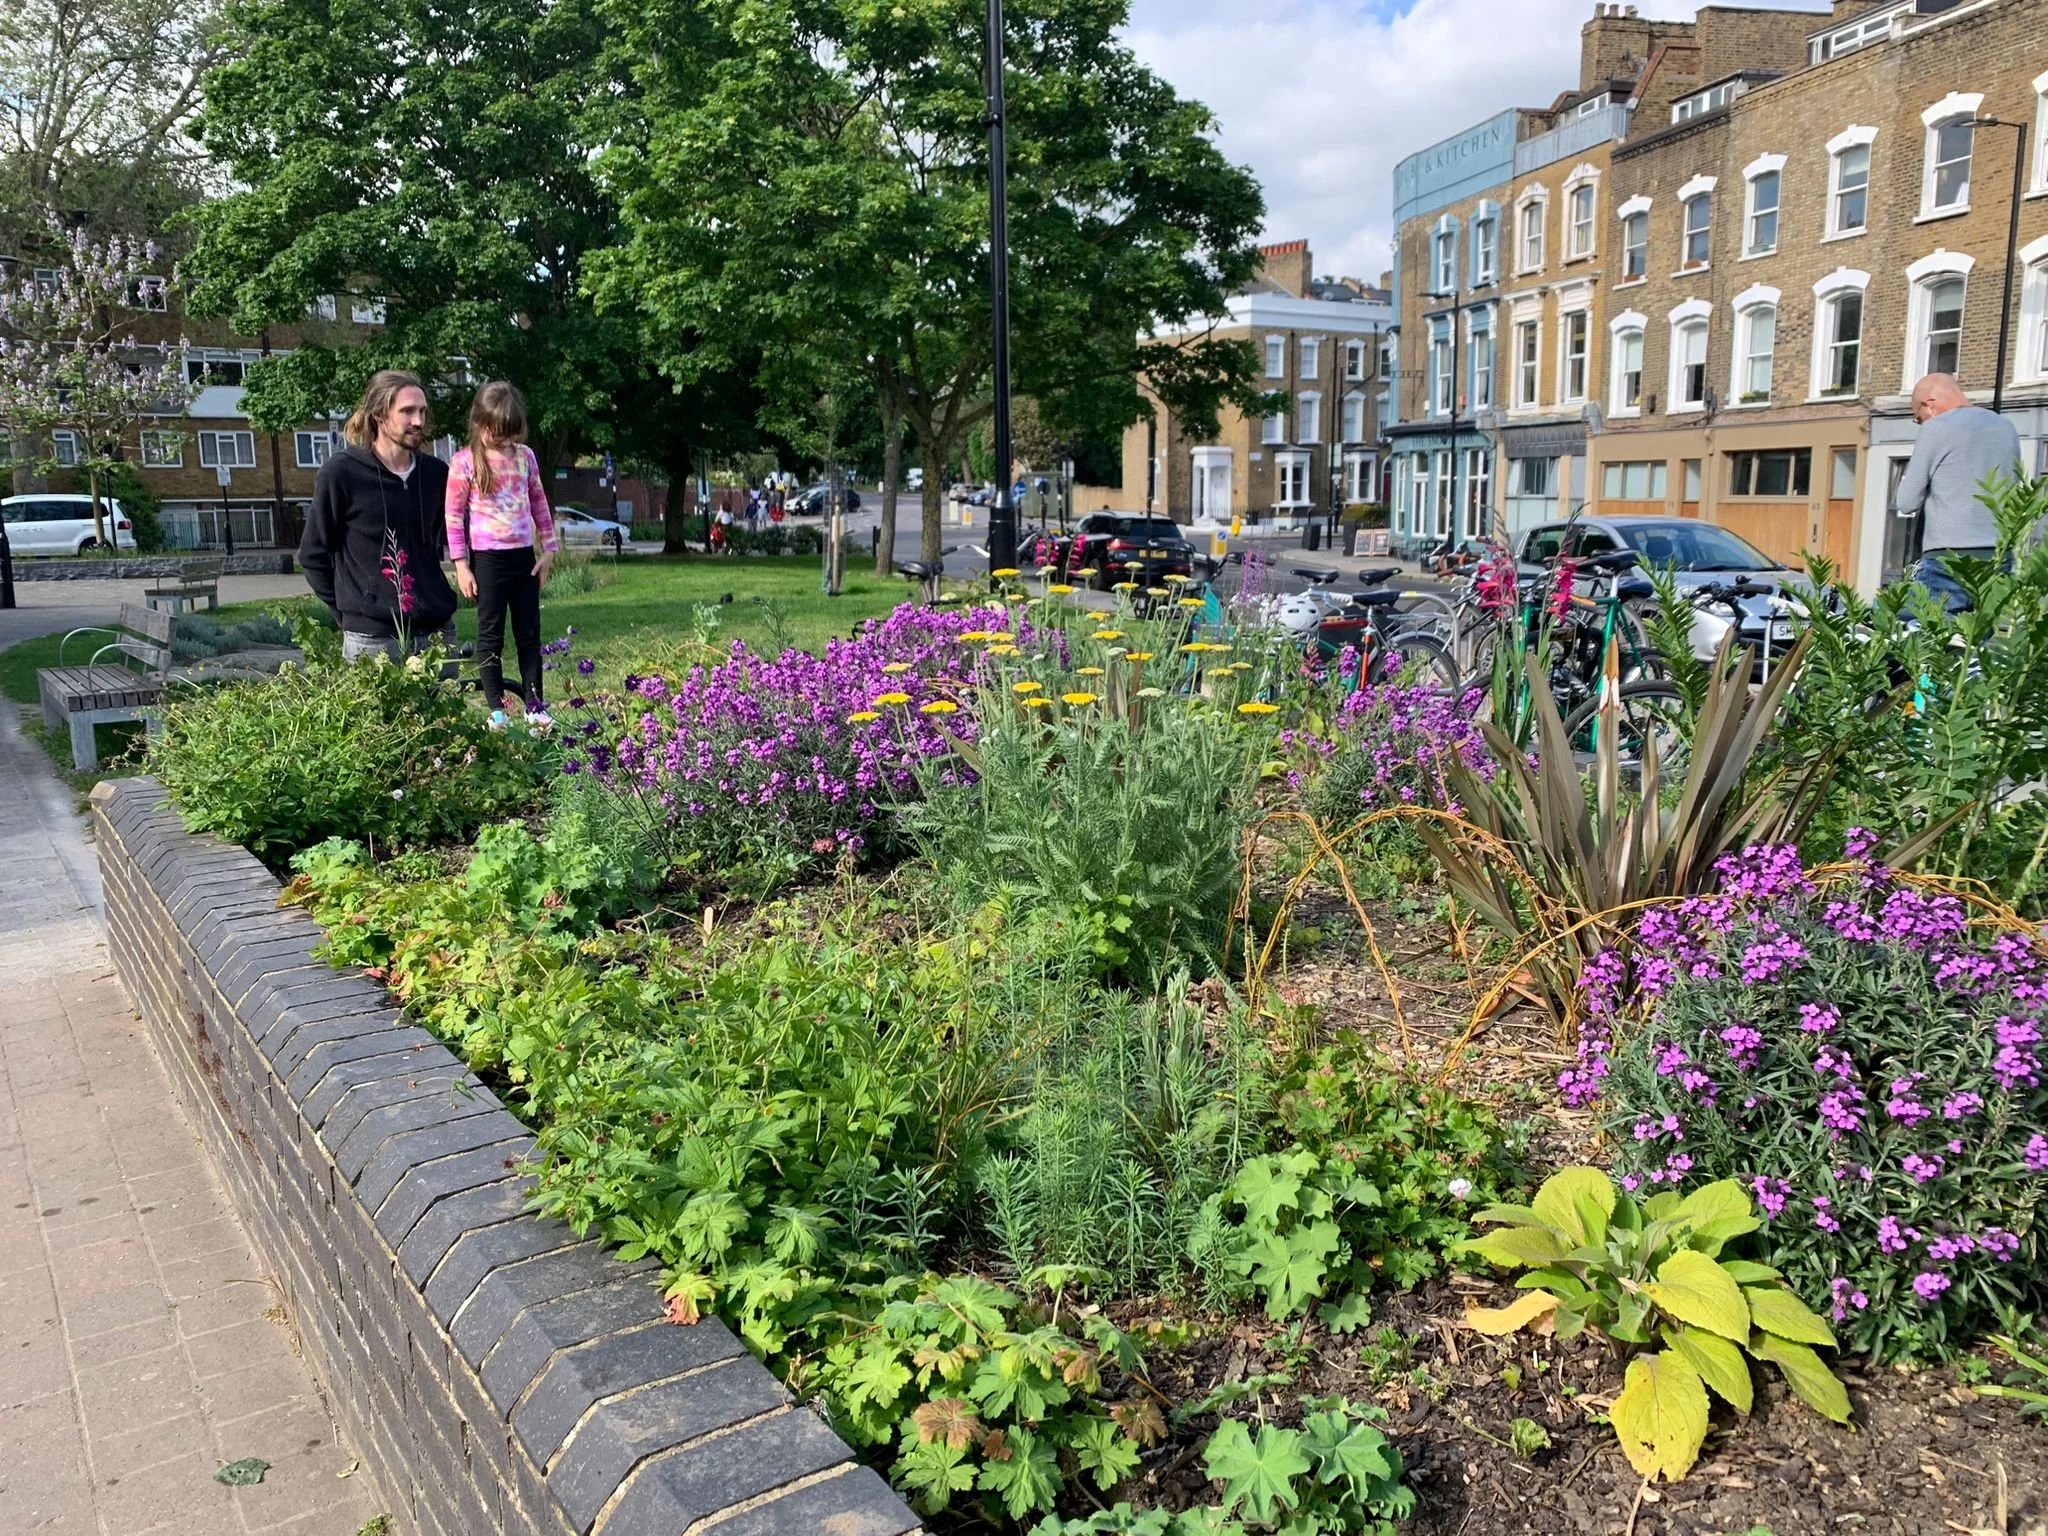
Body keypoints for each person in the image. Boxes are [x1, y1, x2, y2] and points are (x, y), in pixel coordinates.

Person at [301, 370, 459, 660]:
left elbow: (447, 540)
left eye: (422, 411)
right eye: (407, 411)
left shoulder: (436, 474)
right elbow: (312, 554)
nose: (418, 421)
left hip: (437, 634)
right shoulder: (342, 473)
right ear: (378, 415)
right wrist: (352, 611)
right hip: (372, 640)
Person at [447, 381, 558, 726]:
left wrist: (549, 549)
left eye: (511, 433)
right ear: (479, 422)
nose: (505, 440)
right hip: (488, 562)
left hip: (524, 559)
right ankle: (497, 710)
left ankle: (535, 707)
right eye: (498, 433)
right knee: (490, 636)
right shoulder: (464, 462)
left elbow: (539, 502)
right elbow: (453, 516)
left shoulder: (525, 457)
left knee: (529, 635)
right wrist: (461, 565)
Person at [1896, 373, 2024, 611]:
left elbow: (1906, 501)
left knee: (1932, 632)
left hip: (1948, 560)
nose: (1921, 424)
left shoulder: (1937, 428)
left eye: (1918, 418)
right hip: (1998, 557)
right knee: (1978, 633)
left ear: (1929, 404)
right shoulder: (2006, 427)